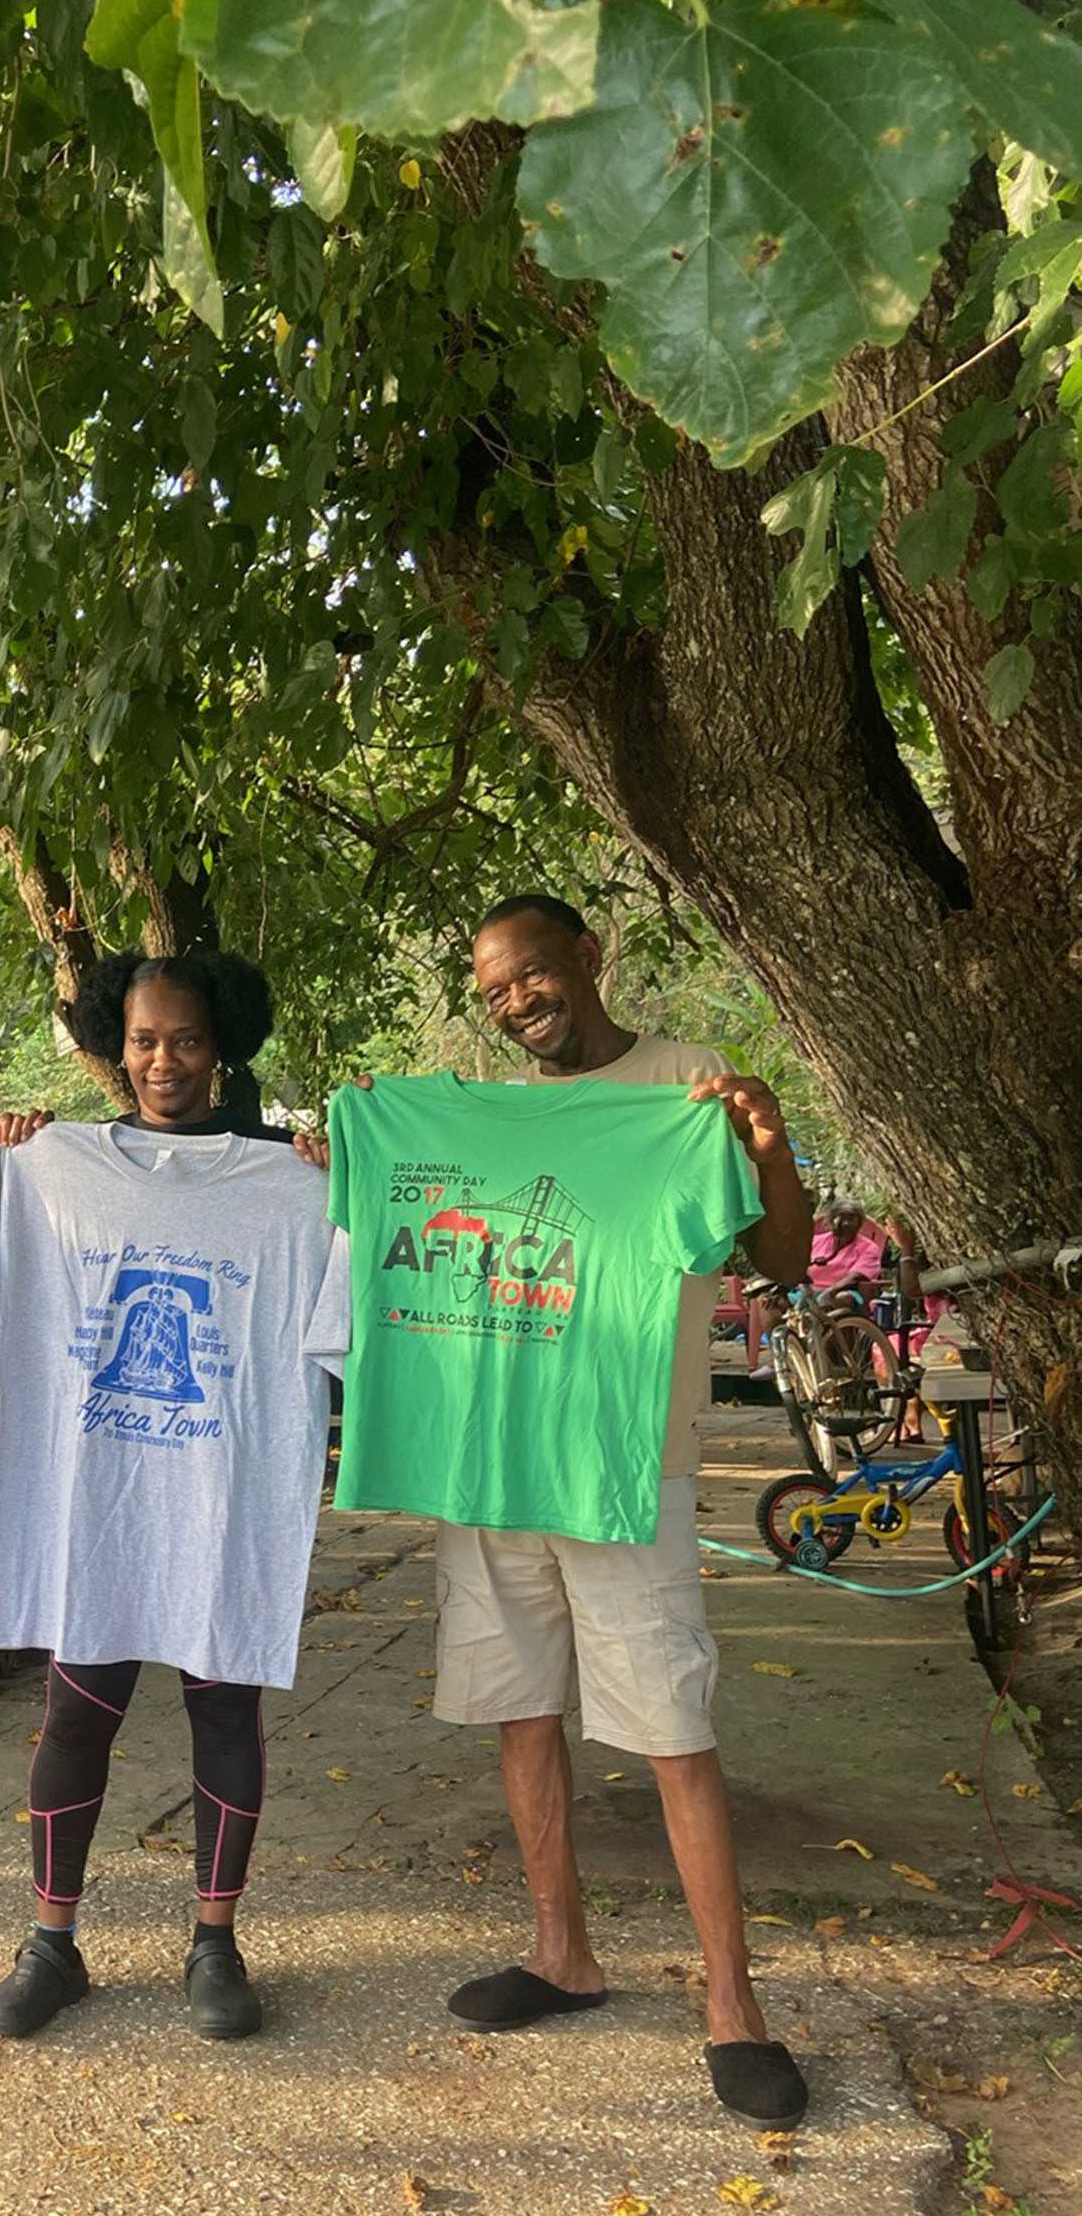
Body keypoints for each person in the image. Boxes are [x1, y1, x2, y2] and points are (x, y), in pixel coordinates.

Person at [438, 894, 815, 2124]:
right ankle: (561, 1953)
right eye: (492, 990)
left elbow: (780, 1263)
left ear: (587, 959)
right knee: (518, 1707)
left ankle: (731, 2005)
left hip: (620, 1460)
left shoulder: (684, 1085)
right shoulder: (479, 1114)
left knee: (667, 1722)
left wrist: (763, 1145)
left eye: (529, 975)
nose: (513, 1003)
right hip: (490, 1457)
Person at [0, 949, 346, 2045]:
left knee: (224, 1707)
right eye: (140, 1040)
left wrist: (340, 1193)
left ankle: (214, 1943)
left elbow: (342, 1323)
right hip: (105, 1504)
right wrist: (0, 1172)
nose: (160, 1060)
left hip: (222, 1500)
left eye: (180, 1039)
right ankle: (50, 1942)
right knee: (75, 1710)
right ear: (113, 1048)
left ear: (218, 1046)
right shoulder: (51, 1168)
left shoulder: (291, 1183)